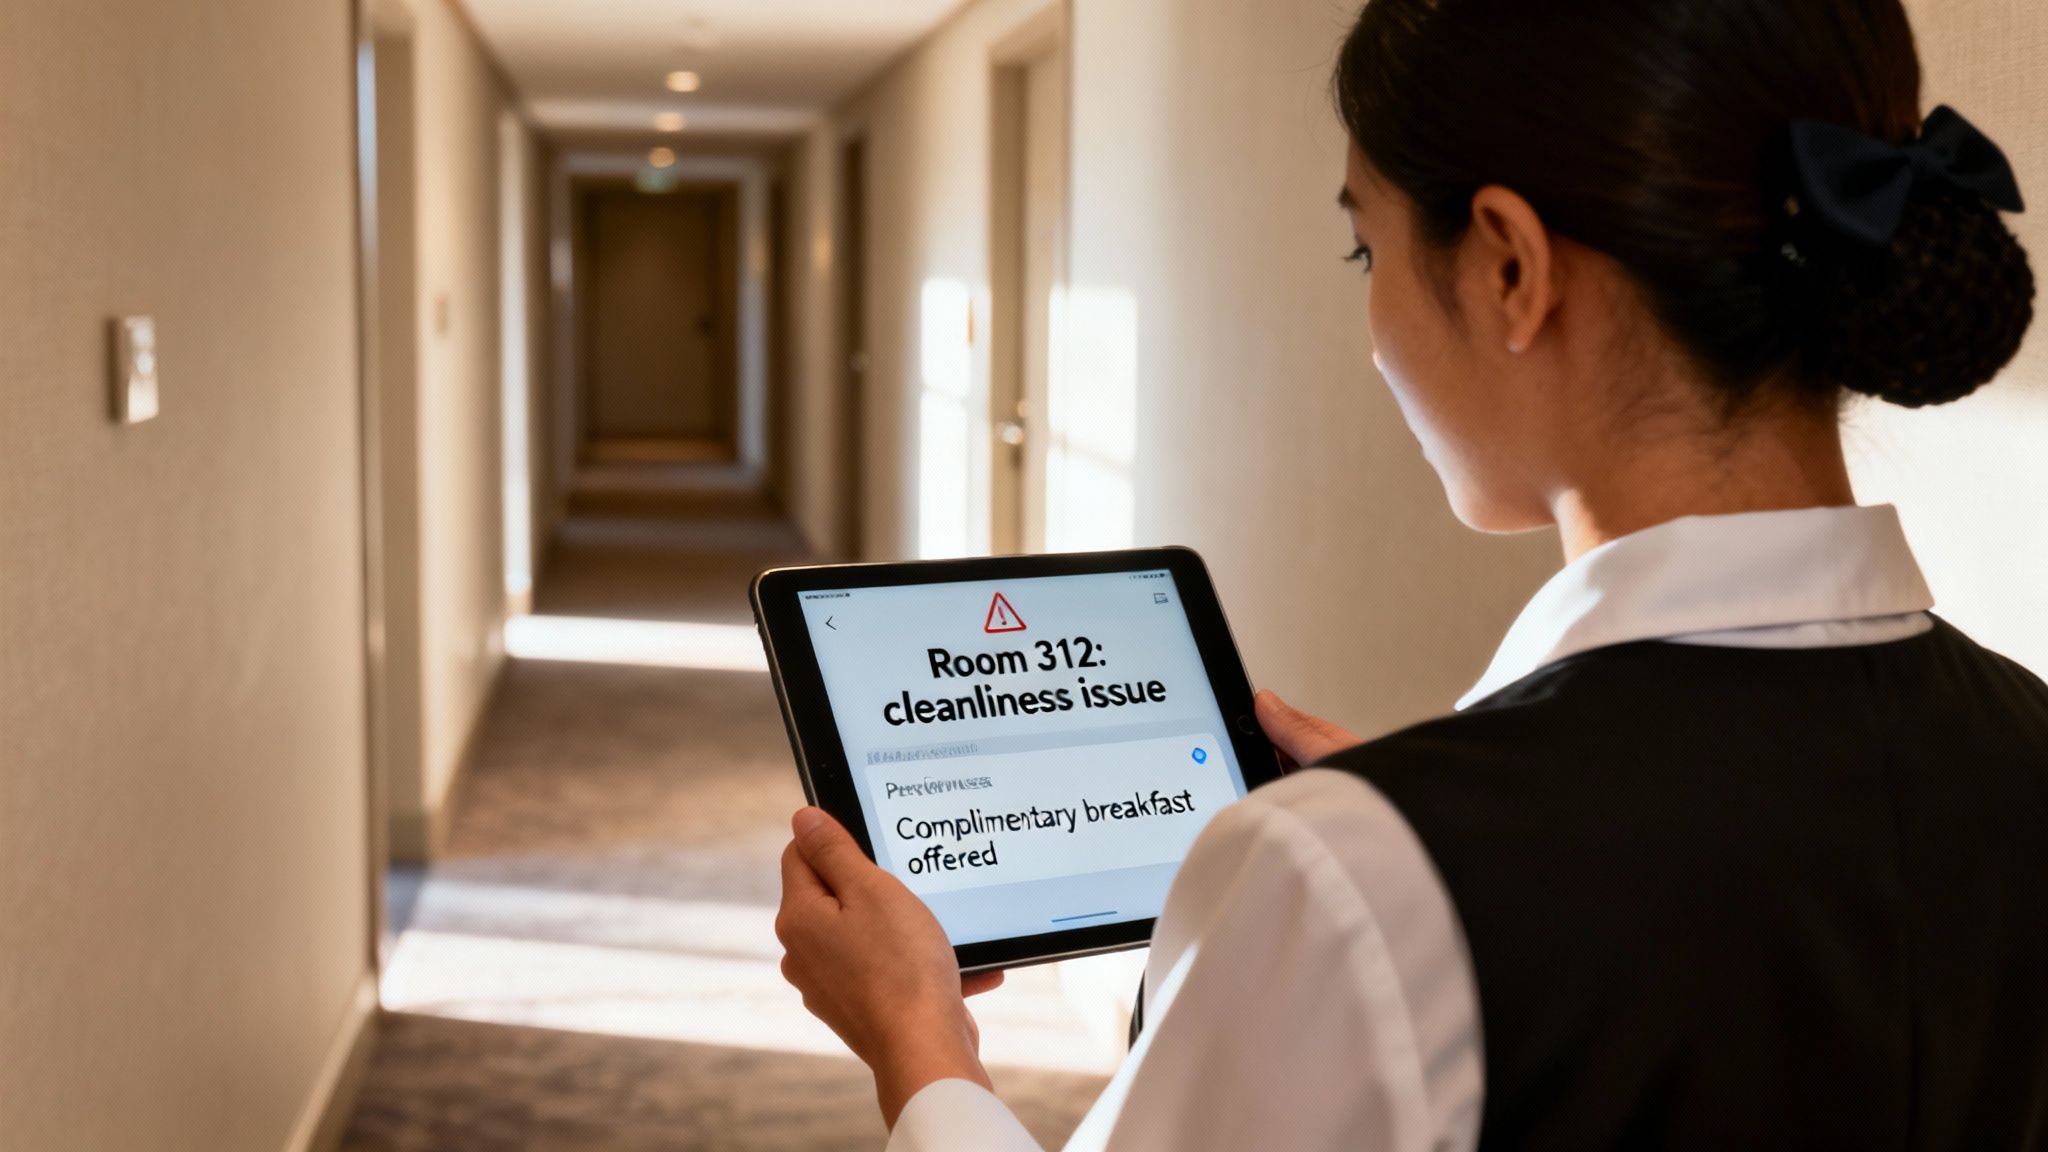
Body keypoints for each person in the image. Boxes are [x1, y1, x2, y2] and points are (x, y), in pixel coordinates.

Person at [774, 0, 2048, 1147]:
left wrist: (918, 1048)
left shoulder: (1357, 877)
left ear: (1508, 265)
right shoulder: (2023, 736)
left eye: (1364, 251)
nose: (1372, 328)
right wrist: (1396, 830)